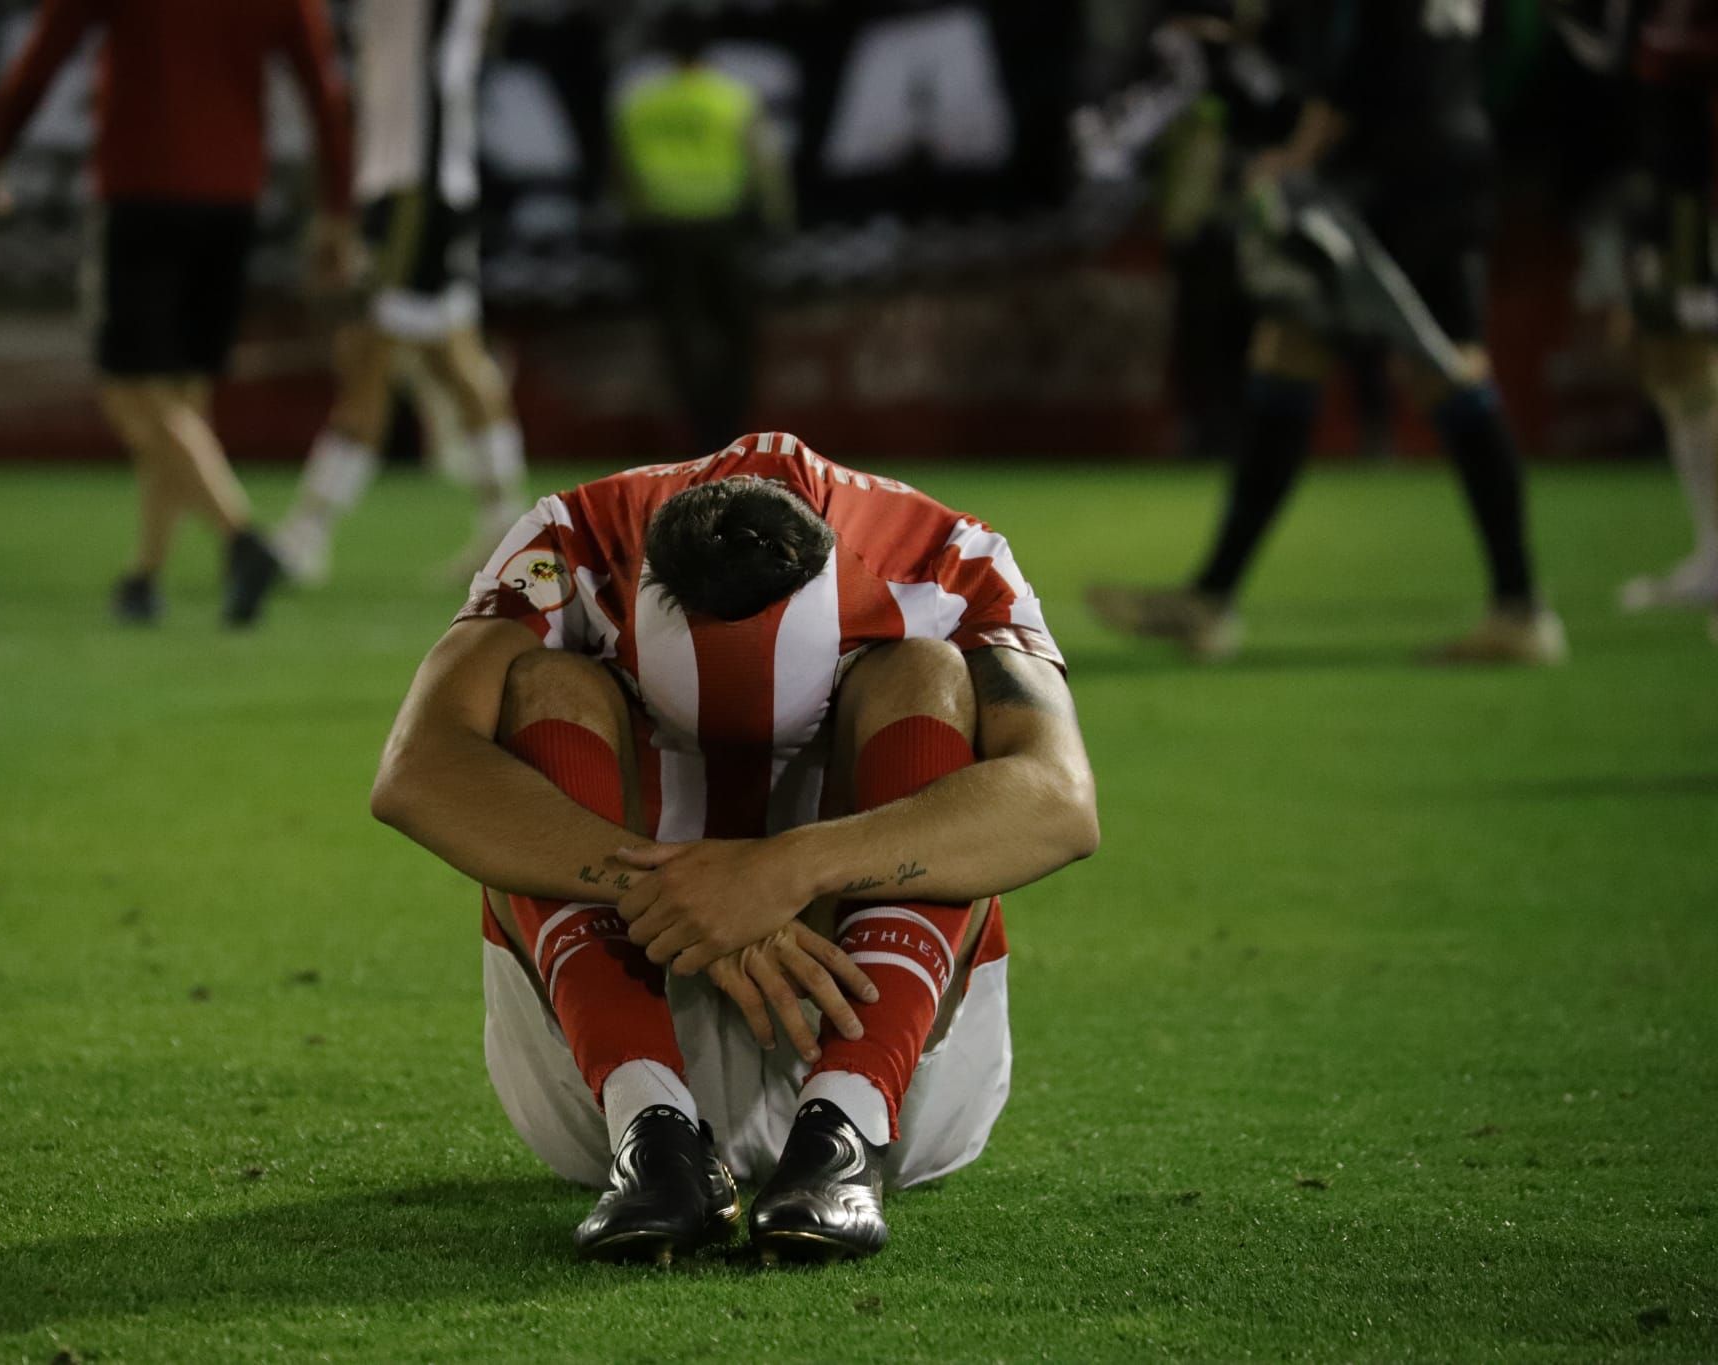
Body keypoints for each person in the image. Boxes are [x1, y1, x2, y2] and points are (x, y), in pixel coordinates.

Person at [369, 431, 1100, 1264]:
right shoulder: (570, 543)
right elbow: (414, 772)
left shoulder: (947, 558)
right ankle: (655, 1131)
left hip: (888, 1050)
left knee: (924, 674)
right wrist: (681, 892)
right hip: (603, 1067)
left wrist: (780, 871)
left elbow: (1060, 802)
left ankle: (843, 1131)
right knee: (544, 686)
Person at [1088, 0, 1568, 664]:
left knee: (1436, 372)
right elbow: (1496, 49)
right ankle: (1212, 597)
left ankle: (1520, 609)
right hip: (1456, 153)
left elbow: (1367, 65)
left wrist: (1295, 156)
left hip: (1392, 176)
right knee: (1302, 350)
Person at [0, 0, 352, 627]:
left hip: (141, 189)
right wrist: (336, 209)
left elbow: (47, 51)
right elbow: (323, 89)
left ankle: (241, 539)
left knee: (131, 393)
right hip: (231, 200)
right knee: (181, 400)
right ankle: (145, 576)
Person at [274, 0, 528, 588]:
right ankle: (507, 526)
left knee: (371, 356)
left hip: (418, 187)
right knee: (452, 356)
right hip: (413, 182)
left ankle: (307, 533)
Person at [1560, 0, 1718, 624]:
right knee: (1669, 363)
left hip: (1701, 197)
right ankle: (1712, 553)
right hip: (1663, 192)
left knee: (1693, 358)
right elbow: (1615, 62)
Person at [613, 15, 793, 453]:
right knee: (736, 334)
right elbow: (763, 162)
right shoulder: (731, 97)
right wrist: (778, 218)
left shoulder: (639, 102)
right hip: (723, 229)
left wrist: (630, 223)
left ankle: (696, 431)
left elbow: (622, 173)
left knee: (681, 336)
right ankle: (730, 428)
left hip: (663, 231)